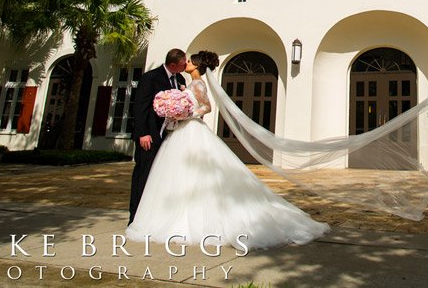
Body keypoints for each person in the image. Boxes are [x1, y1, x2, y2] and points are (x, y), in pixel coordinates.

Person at [126, 51, 329, 250]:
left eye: (189, 61)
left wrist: (186, 115)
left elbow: (206, 107)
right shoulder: (183, 82)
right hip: (178, 133)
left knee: (194, 173)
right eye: (185, 61)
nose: (186, 63)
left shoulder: (197, 84)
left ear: (195, 66)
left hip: (190, 129)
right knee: (178, 174)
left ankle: (189, 218)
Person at [128, 48, 187, 225]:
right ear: (173, 64)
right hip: (150, 135)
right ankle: (135, 217)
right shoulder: (151, 78)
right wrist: (143, 133)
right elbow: (140, 107)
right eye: (184, 63)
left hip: (168, 136)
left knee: (159, 177)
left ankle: (153, 215)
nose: (186, 65)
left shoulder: (180, 79)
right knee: (143, 175)